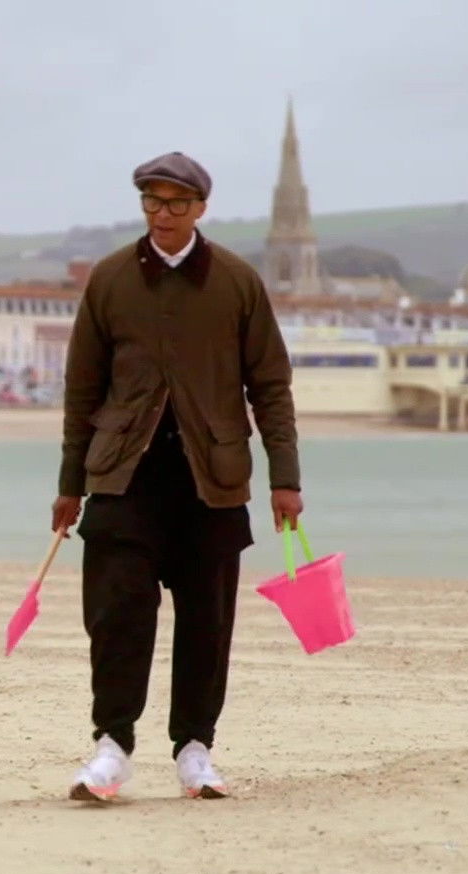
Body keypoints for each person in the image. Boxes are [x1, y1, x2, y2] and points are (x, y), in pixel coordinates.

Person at [53, 152, 303, 802]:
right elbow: (82, 390)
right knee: (116, 619)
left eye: (176, 205)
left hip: (211, 483)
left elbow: (270, 386)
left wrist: (286, 478)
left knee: (206, 624)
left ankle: (195, 750)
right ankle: (111, 746)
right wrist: (69, 485)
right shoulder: (109, 280)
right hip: (122, 479)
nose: (163, 216)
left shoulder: (237, 281)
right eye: (152, 203)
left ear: (200, 209)